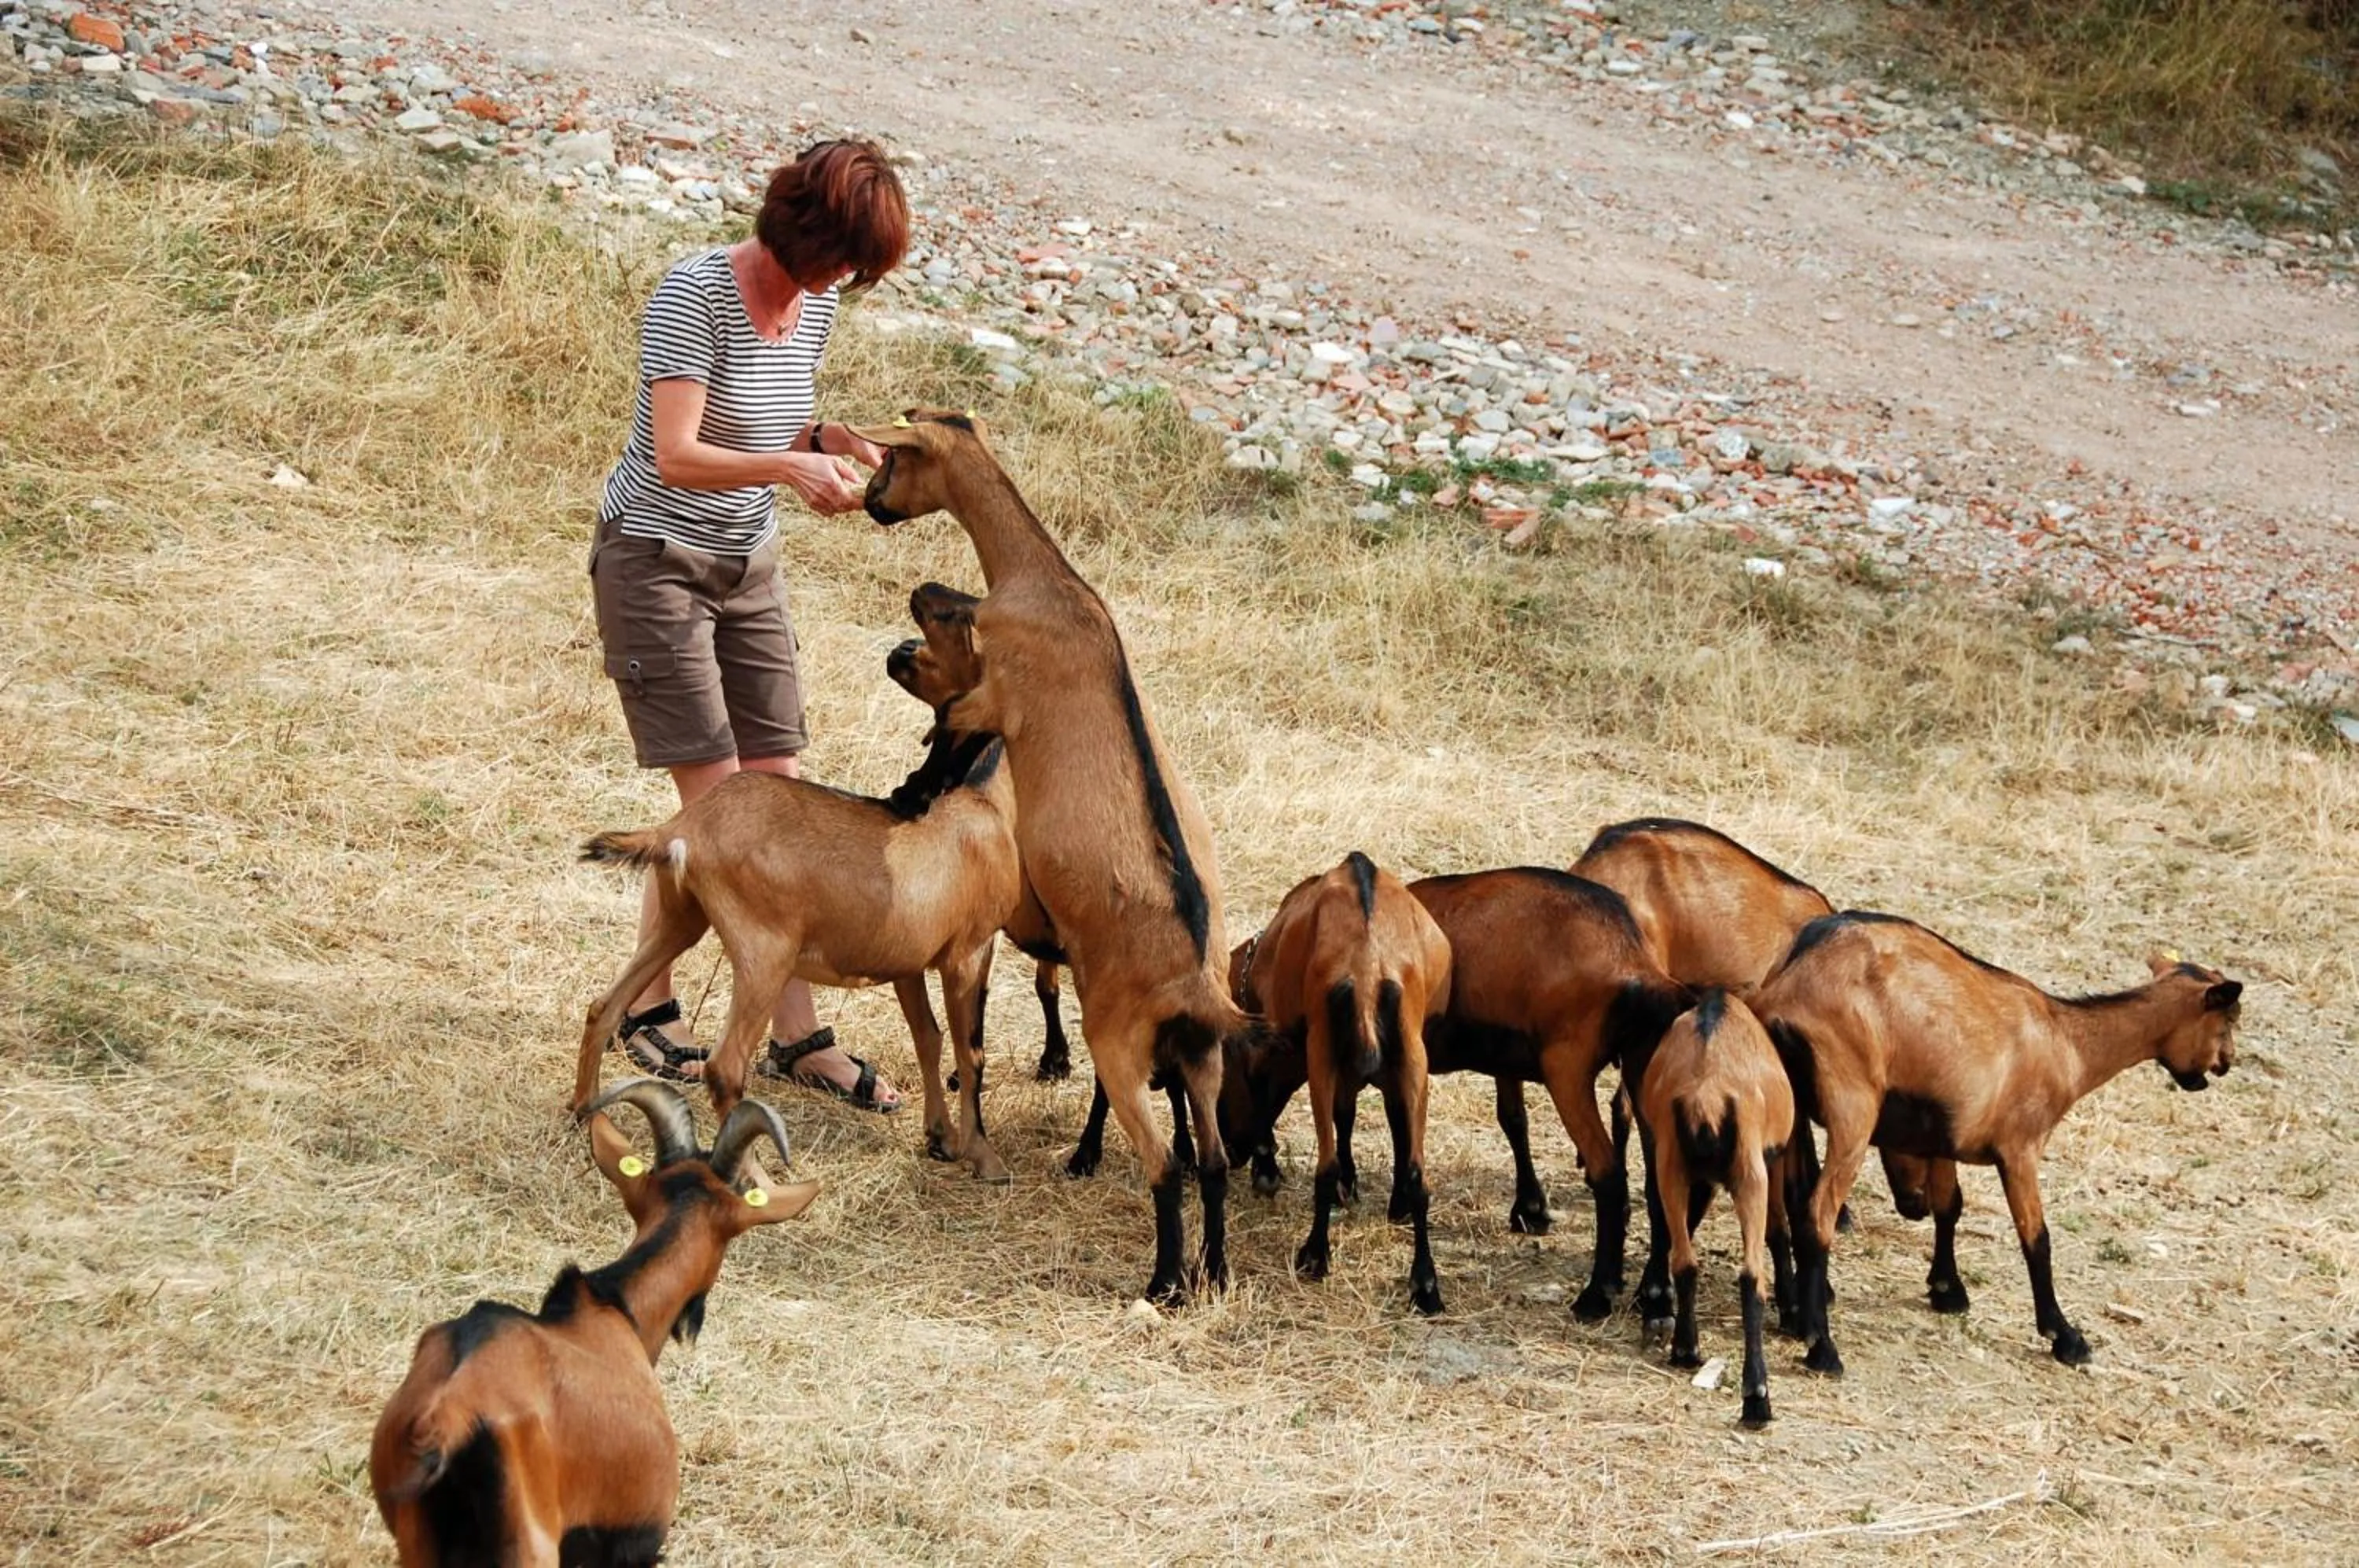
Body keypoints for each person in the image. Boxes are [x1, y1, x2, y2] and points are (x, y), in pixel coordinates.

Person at [588, 139, 910, 1112]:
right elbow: (680, 454)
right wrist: (786, 469)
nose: (849, 279)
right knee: (725, 813)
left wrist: (828, 442)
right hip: (657, 560)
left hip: (748, 564)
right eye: (848, 256)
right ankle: (661, 1006)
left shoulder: (814, 304)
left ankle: (790, 1033)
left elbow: (774, 426)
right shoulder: (696, 295)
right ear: (806, 229)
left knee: (780, 794)